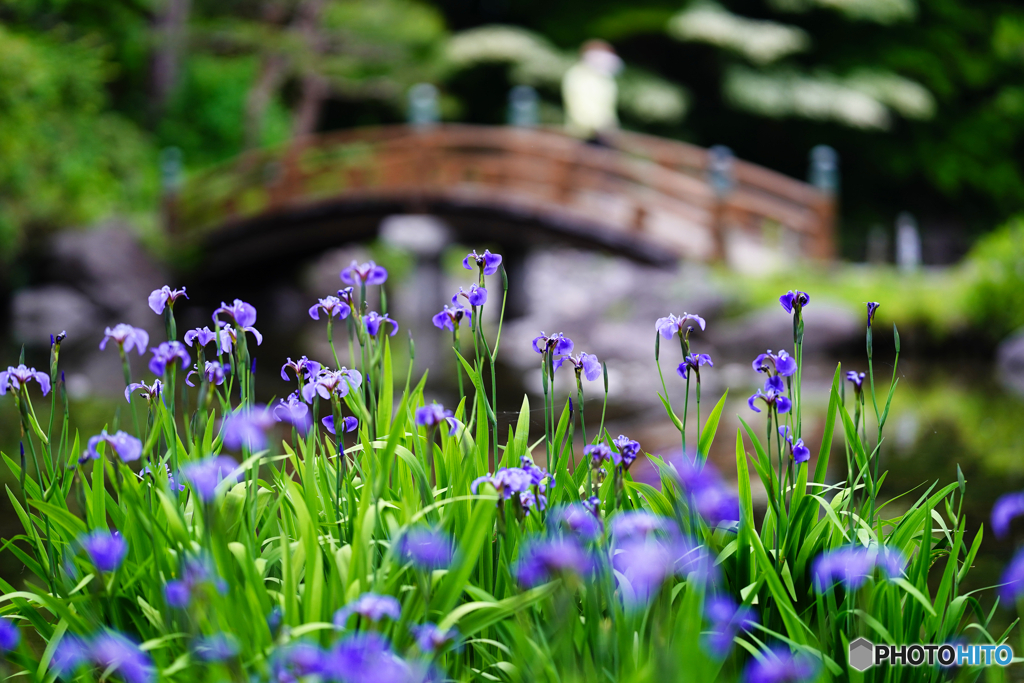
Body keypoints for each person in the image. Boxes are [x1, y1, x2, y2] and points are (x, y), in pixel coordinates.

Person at [561, 40, 623, 144]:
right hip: (584, 134)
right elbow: (579, 106)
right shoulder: (578, 75)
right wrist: (593, 126)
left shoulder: (606, 79)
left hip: (604, 133)